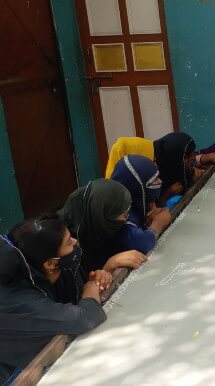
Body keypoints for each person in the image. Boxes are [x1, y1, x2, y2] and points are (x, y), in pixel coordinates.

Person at [0, 221, 107, 383]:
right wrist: (92, 286)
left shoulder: (46, 273)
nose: (75, 242)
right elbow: (82, 318)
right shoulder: (20, 298)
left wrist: (106, 271)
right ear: (50, 263)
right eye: (68, 242)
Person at [57, 179, 147, 275]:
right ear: (100, 214)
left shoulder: (98, 225)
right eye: (123, 215)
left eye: (127, 212)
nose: (126, 219)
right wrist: (111, 264)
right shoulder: (66, 243)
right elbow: (81, 286)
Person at [109, 155, 172, 257]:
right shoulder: (121, 216)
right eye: (153, 180)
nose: (160, 181)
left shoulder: (139, 205)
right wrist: (157, 224)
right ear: (137, 187)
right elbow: (141, 244)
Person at [104, 132, 215, 180]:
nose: (190, 159)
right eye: (187, 156)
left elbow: (190, 165)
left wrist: (209, 157)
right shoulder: (154, 166)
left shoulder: (163, 155)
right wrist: (166, 196)